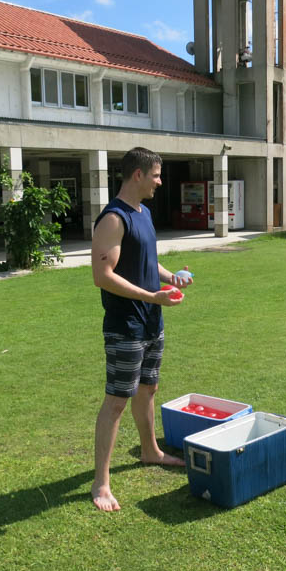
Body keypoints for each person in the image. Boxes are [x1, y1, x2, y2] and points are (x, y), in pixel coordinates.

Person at [90, 147, 193, 511]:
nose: (160, 182)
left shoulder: (144, 213)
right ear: (137, 175)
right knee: (117, 401)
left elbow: (148, 261)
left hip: (151, 320)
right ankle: (101, 484)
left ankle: (150, 452)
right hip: (126, 325)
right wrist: (153, 296)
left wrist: (171, 278)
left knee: (148, 390)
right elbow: (102, 276)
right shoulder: (114, 219)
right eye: (156, 175)